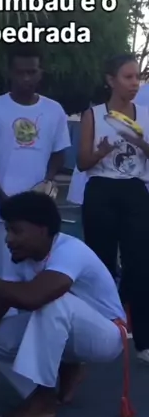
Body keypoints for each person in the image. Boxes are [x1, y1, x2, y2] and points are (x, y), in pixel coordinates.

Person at [0, 192, 130, 417]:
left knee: (51, 301)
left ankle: (44, 399)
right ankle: (58, 374)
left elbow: (33, 298)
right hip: (70, 328)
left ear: (42, 230)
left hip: (107, 335)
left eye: (16, 231)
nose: (8, 239)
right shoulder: (21, 257)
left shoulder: (70, 250)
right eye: (7, 230)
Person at [0, 45, 71, 278]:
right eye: (20, 72)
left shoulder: (54, 110)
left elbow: (59, 153)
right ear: (9, 72)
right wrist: (2, 198)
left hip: (39, 209)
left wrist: (47, 182)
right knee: (5, 275)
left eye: (32, 72)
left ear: (40, 72)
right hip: (2, 209)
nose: (26, 78)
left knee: (37, 275)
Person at [78, 54, 149, 363]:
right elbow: (82, 163)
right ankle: (99, 333)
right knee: (101, 264)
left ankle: (144, 341)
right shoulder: (93, 115)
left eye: (137, 77)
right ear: (110, 80)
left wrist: (139, 141)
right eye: (128, 77)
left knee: (141, 264)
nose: (135, 84)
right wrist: (102, 151)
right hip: (101, 190)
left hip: (134, 190)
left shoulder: (145, 114)